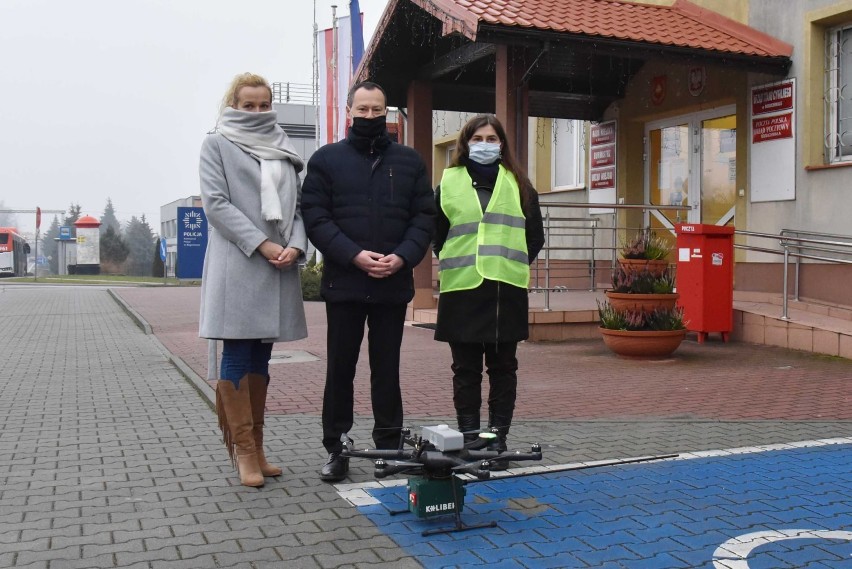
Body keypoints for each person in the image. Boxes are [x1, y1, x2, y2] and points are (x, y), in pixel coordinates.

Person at [301, 81, 435, 481]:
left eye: (378, 110)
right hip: (345, 283)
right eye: (363, 110)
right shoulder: (325, 160)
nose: (370, 117)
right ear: (349, 111)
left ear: (388, 112)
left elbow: (423, 218)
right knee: (340, 369)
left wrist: (404, 256)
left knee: (386, 369)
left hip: (392, 284)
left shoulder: (410, 162)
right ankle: (336, 449)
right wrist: (354, 255)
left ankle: (389, 448)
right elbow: (316, 218)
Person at [198, 72, 308, 487]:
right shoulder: (217, 143)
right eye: (249, 105)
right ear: (234, 104)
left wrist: (296, 246)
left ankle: (258, 447)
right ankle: (242, 451)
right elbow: (217, 205)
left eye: (264, 104)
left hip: (279, 265)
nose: (258, 111)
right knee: (237, 354)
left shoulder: (282, 148)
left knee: (261, 357)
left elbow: (296, 208)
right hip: (240, 263)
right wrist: (263, 244)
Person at [433, 114, 544, 468]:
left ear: (502, 145)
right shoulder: (448, 183)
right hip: (462, 288)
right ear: (466, 144)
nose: (484, 144)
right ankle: (469, 441)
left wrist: (508, 263)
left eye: (491, 138)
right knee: (464, 370)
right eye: (477, 138)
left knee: (503, 369)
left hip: (504, 290)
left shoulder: (520, 185)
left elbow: (534, 238)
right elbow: (437, 235)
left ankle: (495, 442)